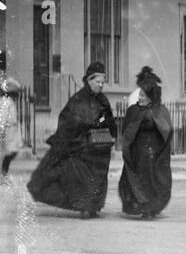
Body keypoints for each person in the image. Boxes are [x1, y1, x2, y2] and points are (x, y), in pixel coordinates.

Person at [27, 61, 119, 218]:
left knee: (97, 178)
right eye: (97, 82)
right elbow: (69, 120)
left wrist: (107, 124)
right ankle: (84, 206)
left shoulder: (103, 100)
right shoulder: (78, 99)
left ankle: (93, 206)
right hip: (81, 145)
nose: (101, 85)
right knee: (79, 174)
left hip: (99, 145)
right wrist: (89, 123)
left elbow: (110, 121)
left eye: (103, 82)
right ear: (89, 81)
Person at [118, 67, 173, 219]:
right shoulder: (133, 110)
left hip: (154, 154)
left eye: (143, 95)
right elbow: (127, 130)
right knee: (137, 180)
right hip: (137, 153)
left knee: (153, 180)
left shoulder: (160, 110)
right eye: (139, 95)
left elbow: (166, 130)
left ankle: (151, 207)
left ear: (150, 97)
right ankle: (143, 206)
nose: (140, 98)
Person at [0, 76, 23, 178]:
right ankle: (4, 174)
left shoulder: (10, 101)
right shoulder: (5, 101)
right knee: (10, 152)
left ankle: (4, 173)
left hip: (13, 130)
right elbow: (3, 117)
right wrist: (2, 131)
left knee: (13, 151)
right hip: (8, 130)